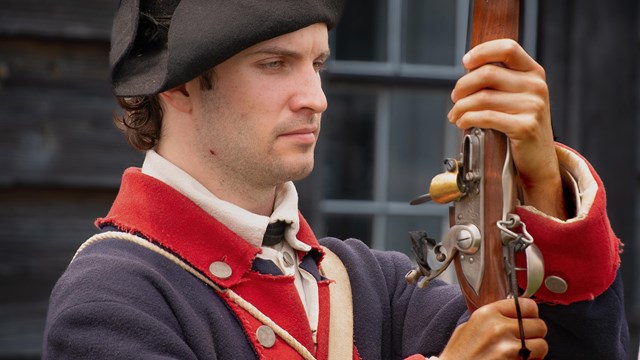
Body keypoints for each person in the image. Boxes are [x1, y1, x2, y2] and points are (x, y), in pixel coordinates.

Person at [42, 0, 628, 359]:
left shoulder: (375, 287)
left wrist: (542, 181)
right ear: (178, 85)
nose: (315, 98)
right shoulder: (111, 299)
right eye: (275, 64)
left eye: (316, 63)